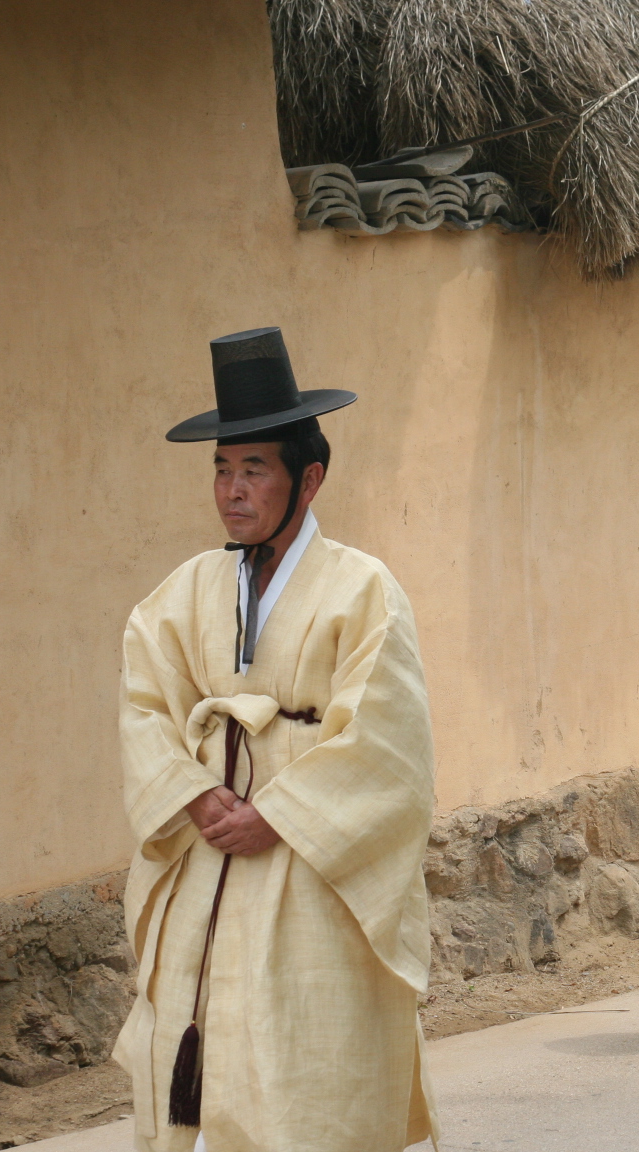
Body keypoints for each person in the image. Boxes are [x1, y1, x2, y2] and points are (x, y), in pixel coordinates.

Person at [114, 328, 436, 1152]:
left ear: (309, 476)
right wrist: (192, 793)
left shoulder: (364, 590)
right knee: (187, 1040)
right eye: (222, 468)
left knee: (300, 1062)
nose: (232, 490)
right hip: (206, 847)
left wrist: (279, 814)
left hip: (306, 862)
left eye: (254, 468)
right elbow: (146, 703)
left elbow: (386, 741)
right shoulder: (185, 591)